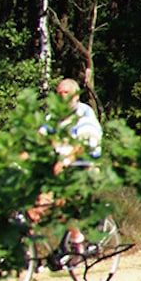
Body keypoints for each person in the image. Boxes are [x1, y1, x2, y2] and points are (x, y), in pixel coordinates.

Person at [33, 77, 104, 262]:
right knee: (37, 202)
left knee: (58, 200)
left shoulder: (84, 114)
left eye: (66, 93)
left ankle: (78, 240)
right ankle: (27, 251)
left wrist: (66, 160)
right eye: (59, 93)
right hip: (61, 168)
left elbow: (85, 144)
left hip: (83, 168)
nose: (62, 96)